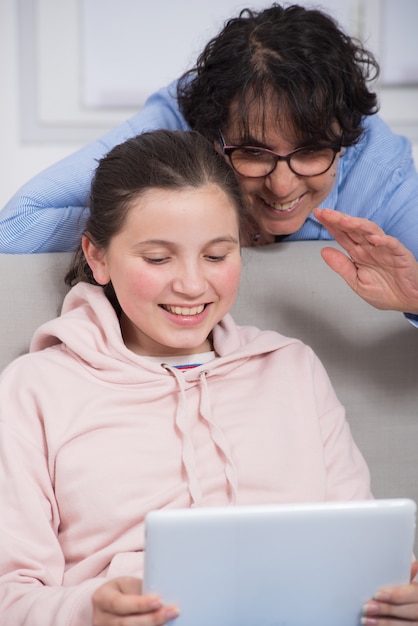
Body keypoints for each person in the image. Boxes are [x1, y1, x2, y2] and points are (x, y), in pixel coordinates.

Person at [0, 129, 415, 625]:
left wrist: (394, 599)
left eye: (217, 255)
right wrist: (89, 612)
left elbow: (359, 551)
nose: (193, 284)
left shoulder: (291, 368)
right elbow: (11, 594)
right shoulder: (36, 389)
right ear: (98, 257)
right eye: (157, 258)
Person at [1, 3, 418, 324]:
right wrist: (192, 221)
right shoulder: (174, 127)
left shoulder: (381, 169)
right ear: (208, 132)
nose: (283, 186)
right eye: (254, 154)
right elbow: (15, 226)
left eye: (311, 153)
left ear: (345, 138)